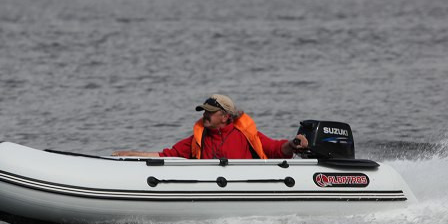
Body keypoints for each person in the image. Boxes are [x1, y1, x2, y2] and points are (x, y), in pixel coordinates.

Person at [112, 94, 308, 159]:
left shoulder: (245, 134)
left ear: (224, 116)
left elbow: (274, 148)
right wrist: (129, 154)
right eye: (204, 111)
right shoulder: (198, 139)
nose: (204, 115)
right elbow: (166, 155)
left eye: (209, 112)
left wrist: (292, 144)